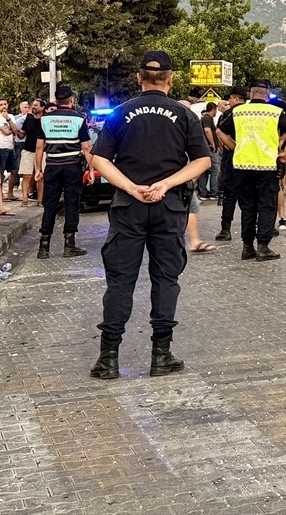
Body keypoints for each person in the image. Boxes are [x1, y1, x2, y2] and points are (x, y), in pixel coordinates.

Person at [88, 51, 212, 381]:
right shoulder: (185, 115)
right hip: (169, 207)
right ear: (171, 79)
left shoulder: (119, 113)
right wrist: (165, 183)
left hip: (129, 208)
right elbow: (202, 161)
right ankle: (161, 354)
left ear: (140, 79)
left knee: (120, 282)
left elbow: (99, 160)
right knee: (166, 280)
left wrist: (131, 187)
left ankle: (109, 359)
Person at [220, 79, 286, 262]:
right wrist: (285, 153)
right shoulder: (275, 112)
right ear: (267, 94)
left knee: (247, 207)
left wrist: (234, 147)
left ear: (250, 94)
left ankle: (247, 247)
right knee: (267, 206)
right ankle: (263, 246)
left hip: (242, 166)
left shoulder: (237, 111)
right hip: (267, 165)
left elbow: (220, 132)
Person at [33, 85, 92, 259]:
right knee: (72, 203)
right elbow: (86, 148)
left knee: (50, 204)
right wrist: (91, 169)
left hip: (52, 166)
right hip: (72, 166)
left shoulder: (45, 119)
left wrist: (38, 169)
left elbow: (39, 146)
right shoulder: (79, 118)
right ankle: (69, 244)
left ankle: (43, 247)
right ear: (71, 100)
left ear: (56, 101)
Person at [212, 86, 246, 241]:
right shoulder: (252, 112)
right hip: (252, 158)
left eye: (231, 98)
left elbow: (220, 133)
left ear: (236, 98)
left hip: (232, 158)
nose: (229, 101)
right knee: (252, 196)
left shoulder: (229, 114)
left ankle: (226, 229)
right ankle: (258, 226)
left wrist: (233, 147)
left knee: (230, 195)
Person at [198, 102, 220, 199]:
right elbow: (207, 130)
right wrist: (213, 143)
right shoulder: (207, 118)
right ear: (213, 109)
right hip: (210, 148)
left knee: (205, 170)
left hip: (204, 147)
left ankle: (203, 192)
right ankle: (213, 192)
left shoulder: (203, 118)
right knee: (215, 170)